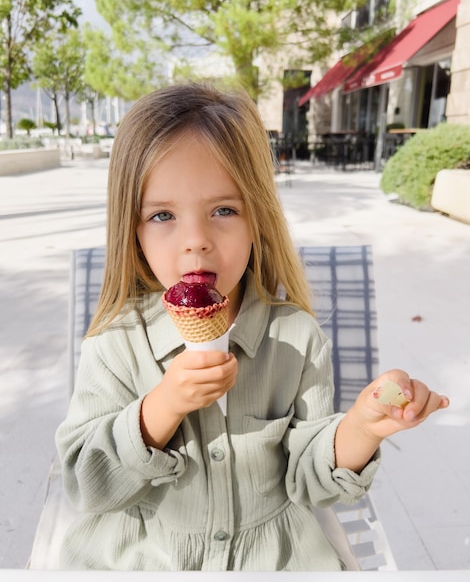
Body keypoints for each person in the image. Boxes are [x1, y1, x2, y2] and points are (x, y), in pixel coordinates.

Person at [56, 82, 449, 571]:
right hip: (145, 557)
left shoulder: (296, 337)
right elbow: (84, 484)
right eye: (162, 215)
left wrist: (362, 428)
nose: (196, 241)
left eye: (224, 210)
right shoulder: (115, 344)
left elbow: (309, 479)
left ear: (258, 218)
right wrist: (163, 406)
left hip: (275, 559)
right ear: (132, 233)